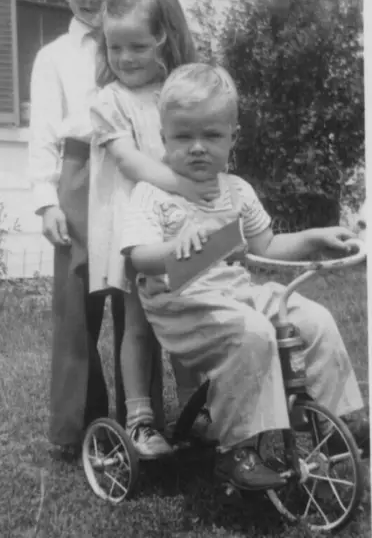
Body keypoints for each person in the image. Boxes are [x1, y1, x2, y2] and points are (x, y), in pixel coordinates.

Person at [120, 63, 369, 489]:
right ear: (164, 139)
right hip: (180, 305)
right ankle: (238, 449)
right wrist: (175, 248)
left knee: (312, 320)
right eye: (183, 136)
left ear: (232, 139)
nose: (197, 148)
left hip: (234, 294)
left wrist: (313, 237)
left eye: (211, 136)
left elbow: (266, 246)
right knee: (254, 333)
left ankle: (335, 421)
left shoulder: (237, 190)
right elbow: (139, 259)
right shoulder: (154, 194)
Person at [88, 0, 218, 458]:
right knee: (139, 324)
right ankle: (140, 418)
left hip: (181, 227)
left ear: (165, 36)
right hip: (134, 231)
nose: (124, 58)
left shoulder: (179, 92)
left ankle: (192, 410)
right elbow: (131, 162)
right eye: (114, 47)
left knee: (184, 315)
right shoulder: (109, 101)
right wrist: (188, 185)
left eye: (137, 46)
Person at [28, 0, 134, 459]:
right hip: (76, 174)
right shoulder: (53, 56)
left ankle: (140, 417)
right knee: (76, 306)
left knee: (133, 297)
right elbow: (44, 131)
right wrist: (47, 201)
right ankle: (80, 423)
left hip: (130, 173)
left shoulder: (139, 46)